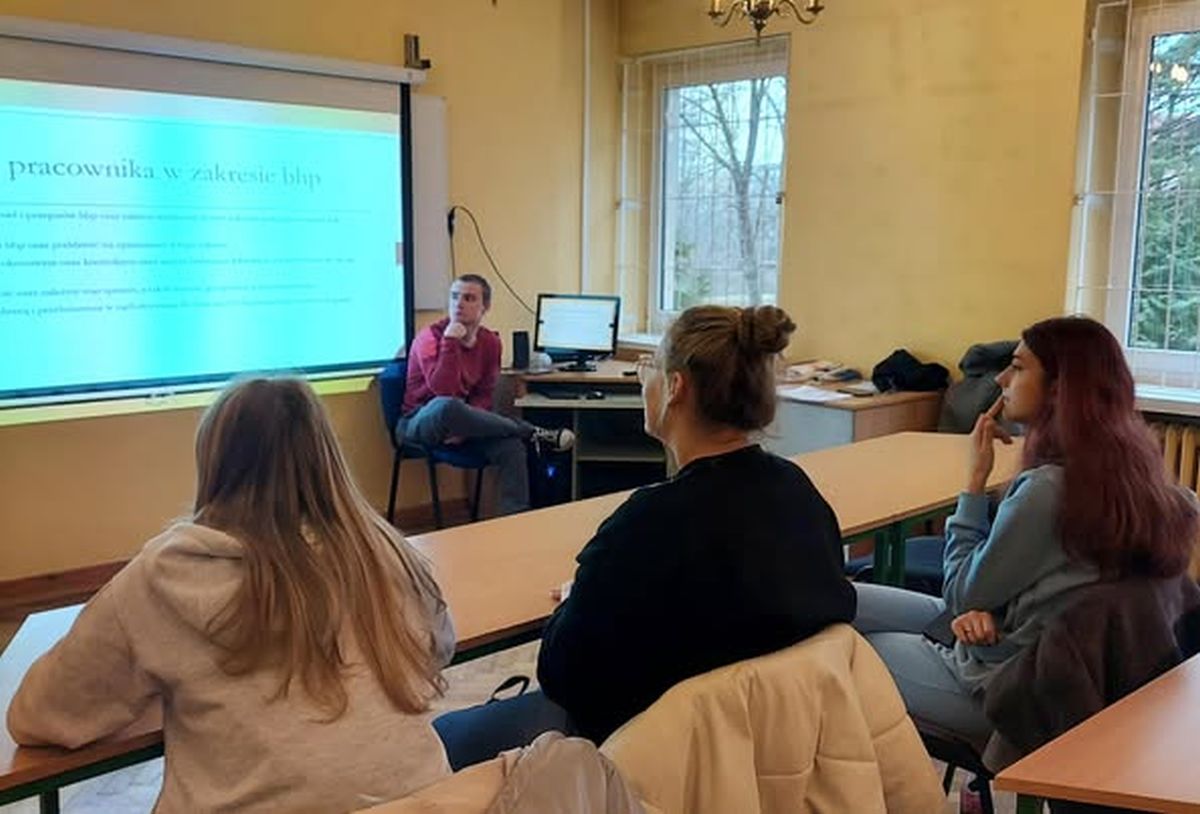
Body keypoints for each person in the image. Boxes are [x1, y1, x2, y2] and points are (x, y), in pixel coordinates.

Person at [432, 304, 857, 767]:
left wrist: (578, 601)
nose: (643, 379)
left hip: (648, 752)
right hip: (771, 748)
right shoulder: (797, 490)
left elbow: (561, 673)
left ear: (675, 387)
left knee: (443, 737)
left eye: (648, 366)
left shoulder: (646, 525)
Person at [7, 378, 458, 812]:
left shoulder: (165, 575)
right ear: (328, 461)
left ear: (215, 465)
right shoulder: (385, 553)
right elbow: (439, 648)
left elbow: (40, 716)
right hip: (423, 800)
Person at [853, 316, 1199, 752]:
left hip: (1015, 688)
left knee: (847, 646)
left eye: (1016, 368)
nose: (1000, 379)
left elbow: (961, 594)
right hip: (1030, 650)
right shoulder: (1149, 485)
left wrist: (974, 483)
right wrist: (988, 609)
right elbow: (1048, 588)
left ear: (1060, 388)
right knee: (843, 598)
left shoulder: (1047, 490)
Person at [398, 274, 573, 515]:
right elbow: (443, 391)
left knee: (512, 447)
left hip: (467, 422)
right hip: (419, 421)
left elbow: (484, 394)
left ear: (485, 307)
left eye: (469, 298)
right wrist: (450, 341)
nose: (459, 304)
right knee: (447, 406)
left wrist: (465, 428)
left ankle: (516, 520)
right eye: (454, 297)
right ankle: (530, 430)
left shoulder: (490, 342)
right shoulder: (430, 338)